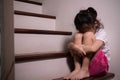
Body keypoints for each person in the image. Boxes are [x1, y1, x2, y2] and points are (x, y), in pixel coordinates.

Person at [64, 7, 110, 80]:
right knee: (77, 35)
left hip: (100, 65)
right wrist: (74, 47)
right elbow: (69, 45)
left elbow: (93, 48)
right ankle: (77, 69)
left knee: (88, 35)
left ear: (95, 24)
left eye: (87, 29)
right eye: (82, 30)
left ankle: (84, 70)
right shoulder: (82, 33)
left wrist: (77, 47)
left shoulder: (101, 33)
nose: (84, 32)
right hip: (87, 62)